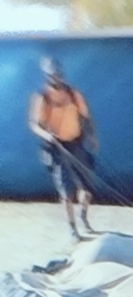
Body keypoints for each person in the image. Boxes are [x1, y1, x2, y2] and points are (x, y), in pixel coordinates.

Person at [29, 59, 100, 243]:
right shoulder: (42, 97)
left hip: (76, 144)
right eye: (54, 75)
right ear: (48, 76)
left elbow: (86, 116)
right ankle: (72, 228)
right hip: (56, 148)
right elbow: (35, 124)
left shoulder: (73, 93)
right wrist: (46, 135)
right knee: (65, 191)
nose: (58, 78)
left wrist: (92, 136)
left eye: (59, 74)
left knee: (87, 187)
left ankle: (83, 216)